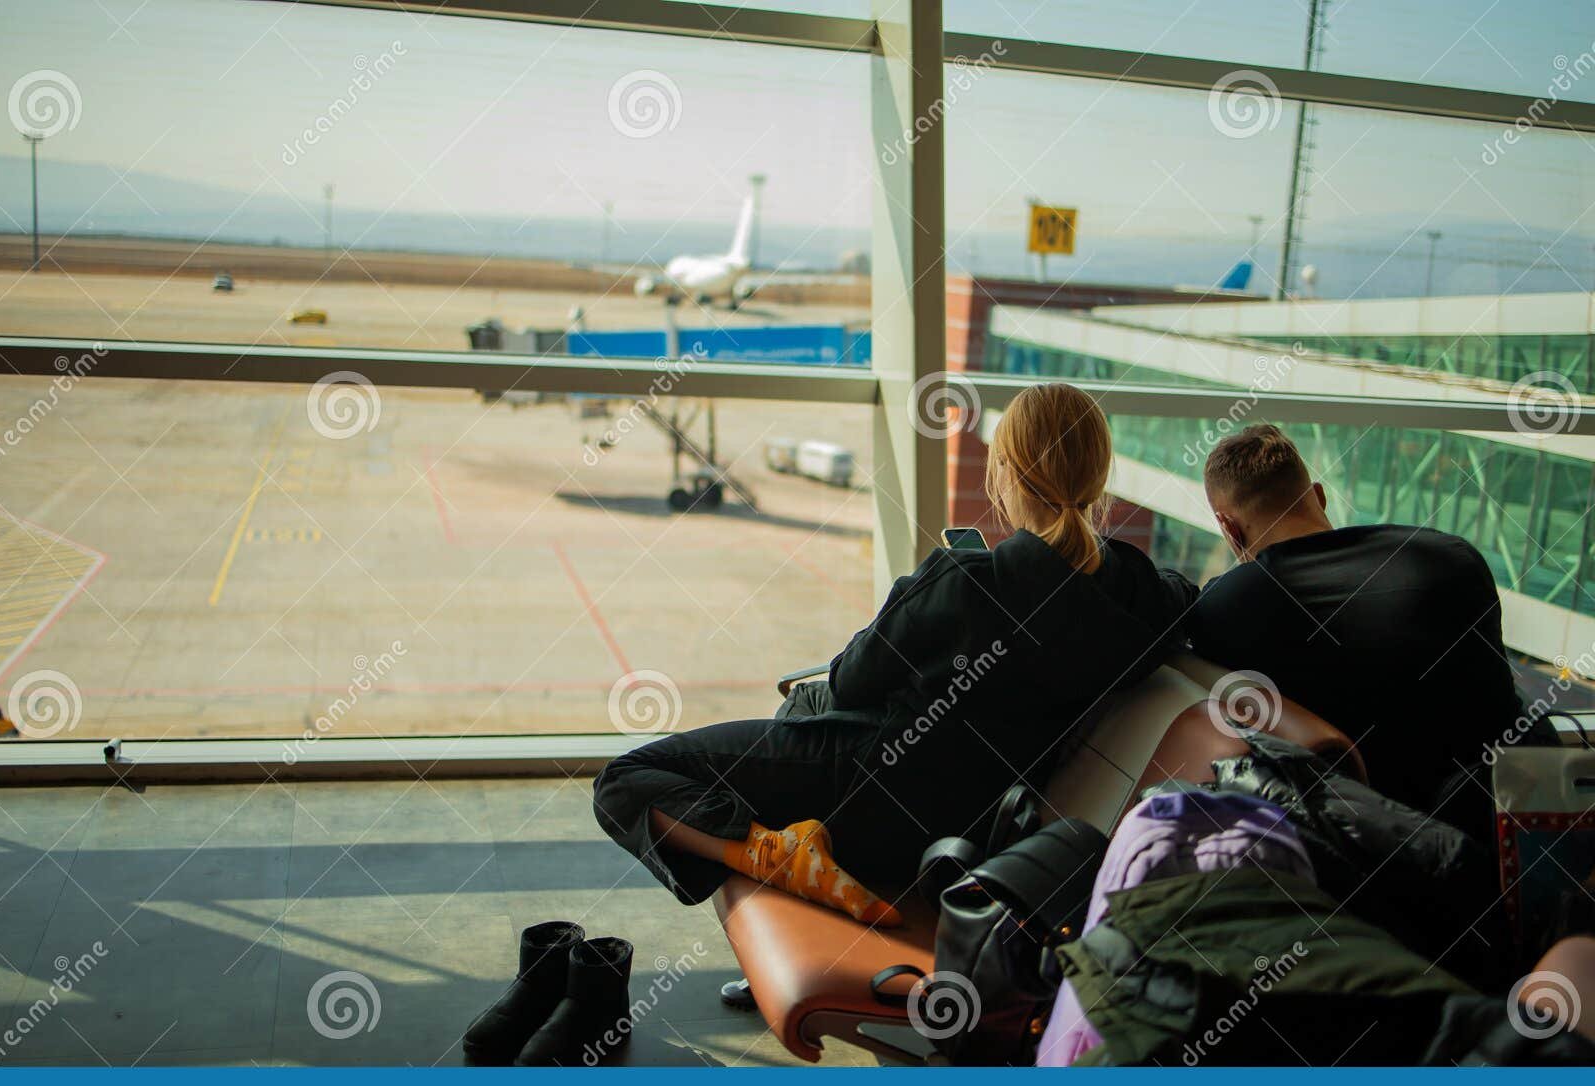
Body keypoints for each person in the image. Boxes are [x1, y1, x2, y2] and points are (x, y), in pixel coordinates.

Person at [592, 383, 1193, 924]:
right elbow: (1178, 596)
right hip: (971, 829)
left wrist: (916, 596)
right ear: (1098, 479)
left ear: (1007, 471)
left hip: (869, 794)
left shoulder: (966, 581)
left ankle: (781, 857)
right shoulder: (1145, 608)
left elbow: (852, 681)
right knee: (799, 710)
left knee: (626, 781)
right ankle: (796, 862)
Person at [1177, 423, 1528, 833]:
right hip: (1506, 834)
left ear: (1230, 529)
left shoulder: (1225, 607)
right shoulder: (1450, 557)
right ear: (1319, 497)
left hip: (1368, 849)